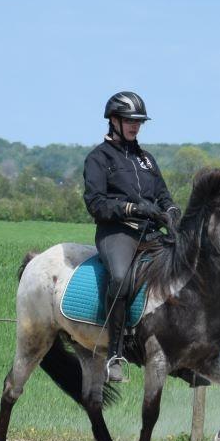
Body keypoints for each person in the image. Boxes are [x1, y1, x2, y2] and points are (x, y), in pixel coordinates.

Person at [83, 91, 181, 382]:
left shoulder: (146, 160)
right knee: (121, 279)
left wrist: (172, 213)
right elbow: (96, 204)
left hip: (151, 231)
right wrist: (131, 208)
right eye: (129, 120)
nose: (135, 126)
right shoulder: (98, 158)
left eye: (138, 121)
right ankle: (115, 353)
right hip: (117, 232)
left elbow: (163, 195)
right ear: (113, 120)